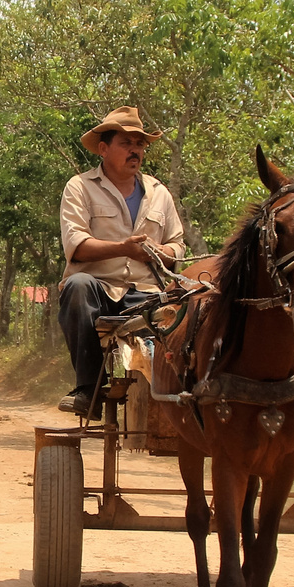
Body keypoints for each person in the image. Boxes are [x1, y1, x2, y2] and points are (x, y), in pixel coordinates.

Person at [57, 106, 186, 418]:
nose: (135, 151)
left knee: (197, 302)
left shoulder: (159, 193)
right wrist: (124, 249)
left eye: (140, 145)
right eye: (126, 144)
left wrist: (161, 251)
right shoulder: (80, 187)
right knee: (77, 285)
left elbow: (178, 245)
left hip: (147, 293)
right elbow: (76, 245)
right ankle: (88, 389)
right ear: (104, 149)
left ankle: (191, 387)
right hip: (98, 290)